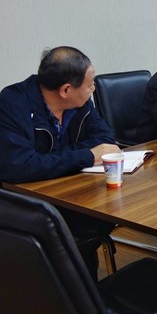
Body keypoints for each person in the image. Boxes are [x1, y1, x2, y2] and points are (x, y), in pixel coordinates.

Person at [0, 46, 121, 280]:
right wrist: (86, 156)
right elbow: (19, 166)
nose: (94, 89)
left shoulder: (81, 103)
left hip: (71, 190)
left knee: (106, 213)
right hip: (26, 202)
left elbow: (105, 139)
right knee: (80, 230)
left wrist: (54, 159)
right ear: (66, 90)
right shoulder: (12, 104)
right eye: (90, 84)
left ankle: (83, 288)